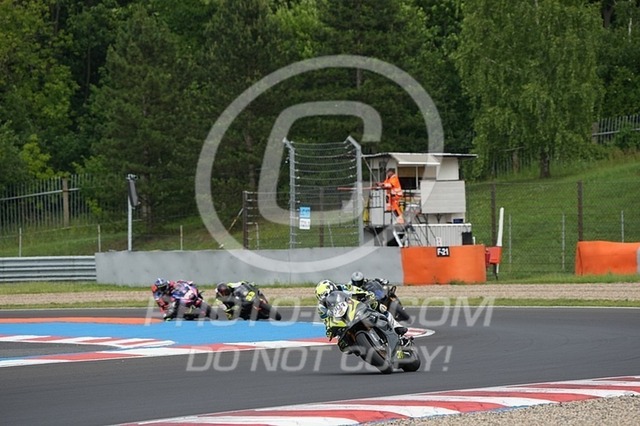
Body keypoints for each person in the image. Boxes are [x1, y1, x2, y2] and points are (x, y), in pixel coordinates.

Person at [314, 279, 407, 338]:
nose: (329, 299)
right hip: (342, 320)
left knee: (379, 307)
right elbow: (326, 321)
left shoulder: (342, 287)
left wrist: (366, 295)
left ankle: (396, 326)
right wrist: (329, 330)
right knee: (342, 342)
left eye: (331, 294)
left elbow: (356, 289)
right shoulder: (321, 308)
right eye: (325, 299)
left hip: (355, 306)